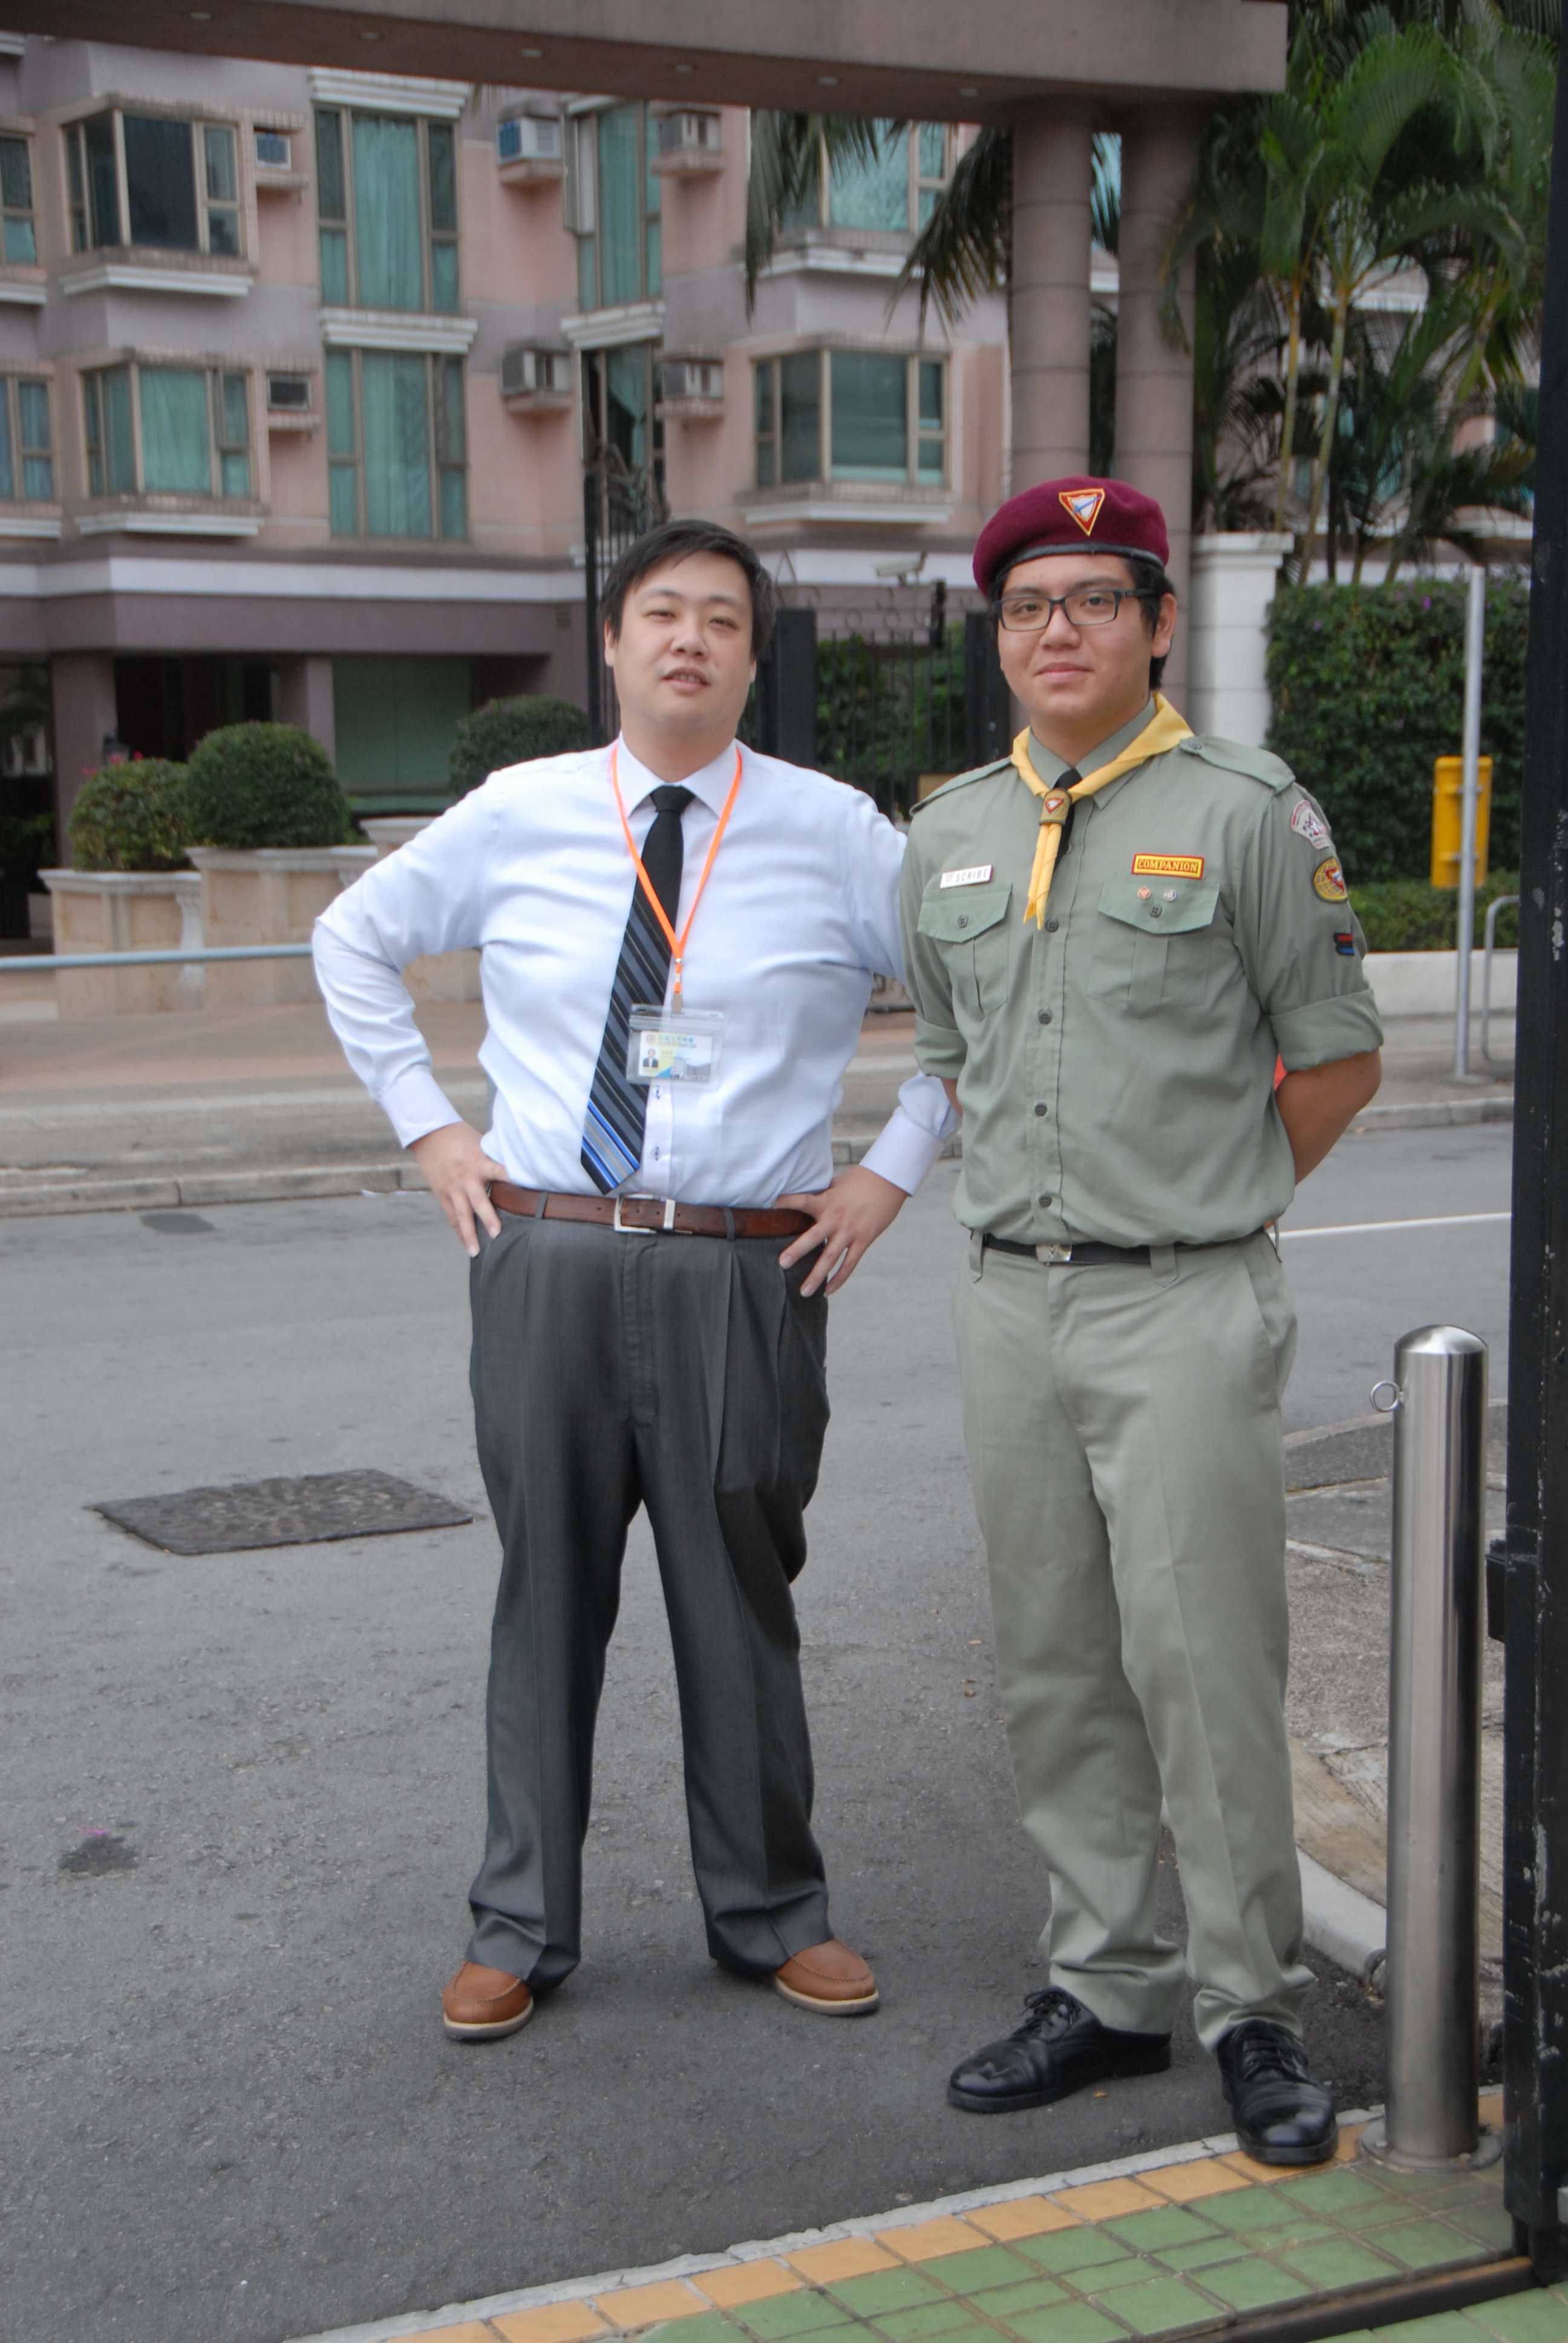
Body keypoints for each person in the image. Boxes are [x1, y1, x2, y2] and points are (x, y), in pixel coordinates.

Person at [315, 517, 956, 2042]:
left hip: (744, 1266)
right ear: (611, 643)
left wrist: (891, 1166)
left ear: (751, 658)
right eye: (662, 612)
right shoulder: (520, 811)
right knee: (544, 1597)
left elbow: (980, 995)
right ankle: (518, 1925)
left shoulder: (835, 832)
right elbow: (352, 940)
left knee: (738, 1597)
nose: (690, 640)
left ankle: (773, 1909)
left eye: (723, 619)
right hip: (544, 1250)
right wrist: (431, 1129)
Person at [899, 477, 1383, 2164]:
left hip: (1182, 1298)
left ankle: (1254, 2006)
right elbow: (952, 1058)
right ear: (1002, 635)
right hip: (1007, 1302)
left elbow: (1336, 1058)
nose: (1060, 631)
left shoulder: (1247, 811)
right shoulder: (950, 830)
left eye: (1097, 600)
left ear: (1159, 624)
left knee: (1205, 1671)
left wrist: (1216, 1197)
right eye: (1031, 605)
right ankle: (1105, 1985)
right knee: (1056, 1664)